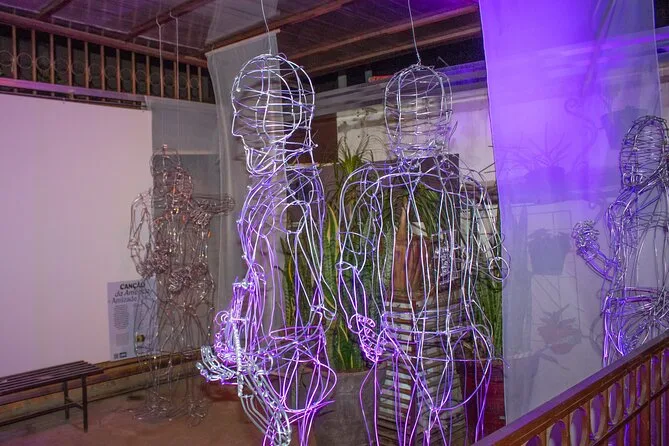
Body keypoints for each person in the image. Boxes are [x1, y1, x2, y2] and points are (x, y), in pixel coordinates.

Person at [337, 64, 504, 445]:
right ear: (392, 125)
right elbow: (349, 263)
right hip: (395, 330)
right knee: (395, 412)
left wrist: (475, 316)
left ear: (444, 123)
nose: (418, 130)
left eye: (426, 118)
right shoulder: (369, 188)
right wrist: (363, 324)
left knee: (447, 410)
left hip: (445, 328)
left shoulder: (461, 187)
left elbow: (488, 263)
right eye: (408, 119)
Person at [198, 54, 336, 446]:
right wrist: (234, 325)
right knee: (263, 407)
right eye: (243, 126)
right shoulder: (259, 193)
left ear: (292, 124)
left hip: (296, 336)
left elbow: (312, 270)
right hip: (266, 337)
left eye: (251, 125)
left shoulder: (298, 188)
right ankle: (277, 422)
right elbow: (254, 271)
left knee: (282, 415)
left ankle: (280, 422)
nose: (241, 136)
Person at [573, 116, 669, 365]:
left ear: (663, 152)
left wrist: (658, 309)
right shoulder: (621, 207)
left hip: (657, 319)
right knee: (623, 384)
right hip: (621, 314)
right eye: (631, 148)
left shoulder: (665, 200)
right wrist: (590, 251)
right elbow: (620, 273)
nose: (635, 157)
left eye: (647, 147)